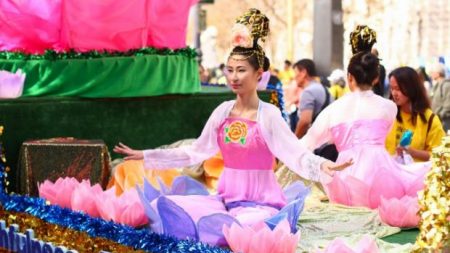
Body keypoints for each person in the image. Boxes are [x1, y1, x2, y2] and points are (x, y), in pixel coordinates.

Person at [114, 9, 352, 246]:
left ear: (258, 74)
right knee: (163, 207)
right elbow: (194, 152)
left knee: (247, 228)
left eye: (241, 70)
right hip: (225, 201)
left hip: (261, 205)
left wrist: (323, 165)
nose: (234, 77)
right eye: (230, 70)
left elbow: (295, 154)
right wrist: (146, 155)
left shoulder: (268, 116)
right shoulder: (223, 111)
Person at [299, 25, 431, 209]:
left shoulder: (333, 110)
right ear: (376, 78)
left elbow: (305, 145)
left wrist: (320, 165)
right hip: (383, 178)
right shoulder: (389, 107)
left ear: (349, 77)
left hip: (344, 180)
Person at [385, 67, 445, 163]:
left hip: (418, 176)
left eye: (398, 89)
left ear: (411, 88)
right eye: (392, 88)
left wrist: (413, 152)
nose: (394, 93)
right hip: (388, 174)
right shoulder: (388, 113)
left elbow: (441, 155)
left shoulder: (429, 119)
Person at [293, 59, 333, 138]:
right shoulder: (324, 89)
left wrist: (295, 140)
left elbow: (305, 121)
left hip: (316, 144)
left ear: (303, 73)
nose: (294, 77)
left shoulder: (308, 92)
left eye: (295, 73)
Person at [430, 63, 450, 131]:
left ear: (438, 73)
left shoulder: (447, 85)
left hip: (445, 123)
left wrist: (437, 116)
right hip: (438, 122)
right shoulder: (436, 86)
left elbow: (448, 106)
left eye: (432, 72)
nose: (431, 74)